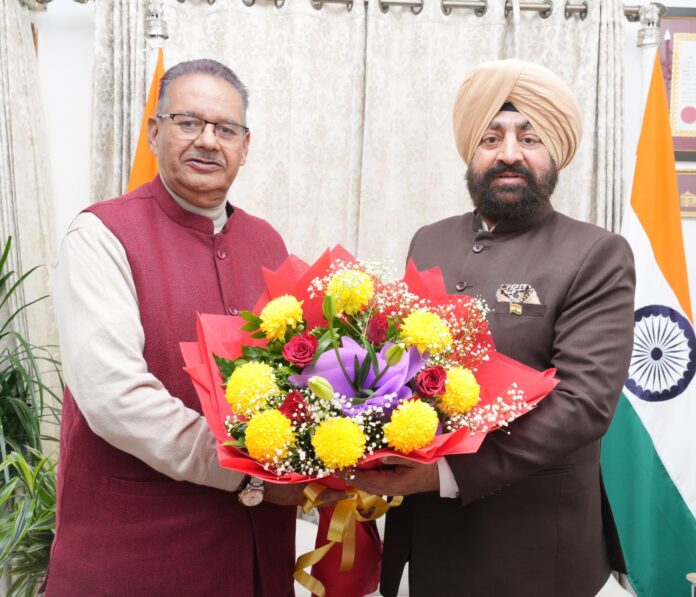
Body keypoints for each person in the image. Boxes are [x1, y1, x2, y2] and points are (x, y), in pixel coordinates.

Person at [45, 59, 334, 596]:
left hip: (256, 554)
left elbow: (300, 375)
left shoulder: (267, 242)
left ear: (245, 147)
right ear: (154, 133)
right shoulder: (100, 234)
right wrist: (247, 473)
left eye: (226, 129)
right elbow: (115, 397)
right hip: (138, 554)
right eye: (188, 122)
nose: (207, 140)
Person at [350, 59, 635, 597]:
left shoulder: (596, 252)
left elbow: (584, 403)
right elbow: (402, 368)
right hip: (427, 538)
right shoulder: (429, 240)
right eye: (490, 137)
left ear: (555, 153)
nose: (508, 153)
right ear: (471, 152)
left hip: (535, 550)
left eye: (529, 138)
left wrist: (444, 475)